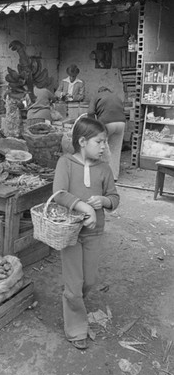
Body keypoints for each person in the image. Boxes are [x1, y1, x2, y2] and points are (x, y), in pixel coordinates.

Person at [53, 117, 119, 350]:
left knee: (88, 281)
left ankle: (74, 300)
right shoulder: (66, 163)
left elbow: (114, 198)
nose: (103, 147)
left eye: (105, 143)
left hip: (94, 232)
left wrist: (103, 200)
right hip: (70, 233)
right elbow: (59, 194)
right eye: (99, 142)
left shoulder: (104, 169)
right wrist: (85, 206)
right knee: (74, 284)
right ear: (82, 141)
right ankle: (76, 328)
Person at [87, 86, 126, 181]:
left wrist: (92, 127)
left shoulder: (97, 96)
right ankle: (114, 176)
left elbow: (90, 112)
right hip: (121, 123)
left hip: (107, 122)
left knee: (102, 148)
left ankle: (103, 175)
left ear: (99, 91)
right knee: (115, 150)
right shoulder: (116, 97)